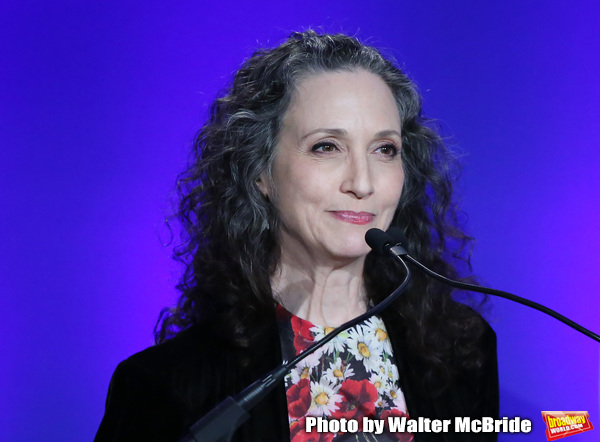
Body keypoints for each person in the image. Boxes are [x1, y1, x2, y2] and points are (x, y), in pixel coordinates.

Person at [95, 30, 499, 441]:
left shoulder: (462, 354)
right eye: (326, 147)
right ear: (259, 171)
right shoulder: (165, 387)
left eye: (384, 149)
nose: (362, 183)